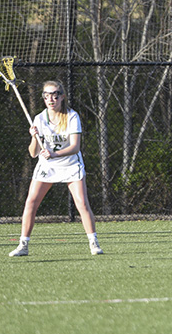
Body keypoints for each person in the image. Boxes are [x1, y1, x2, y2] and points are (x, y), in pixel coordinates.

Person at [9, 81, 103, 256]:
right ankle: (23, 245)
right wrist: (33, 137)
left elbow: (75, 147)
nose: (51, 99)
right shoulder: (39, 118)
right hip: (48, 167)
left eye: (55, 95)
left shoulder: (72, 116)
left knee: (82, 203)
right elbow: (33, 153)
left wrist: (54, 154)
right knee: (31, 202)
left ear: (62, 96)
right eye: (46, 95)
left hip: (70, 164)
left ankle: (94, 243)